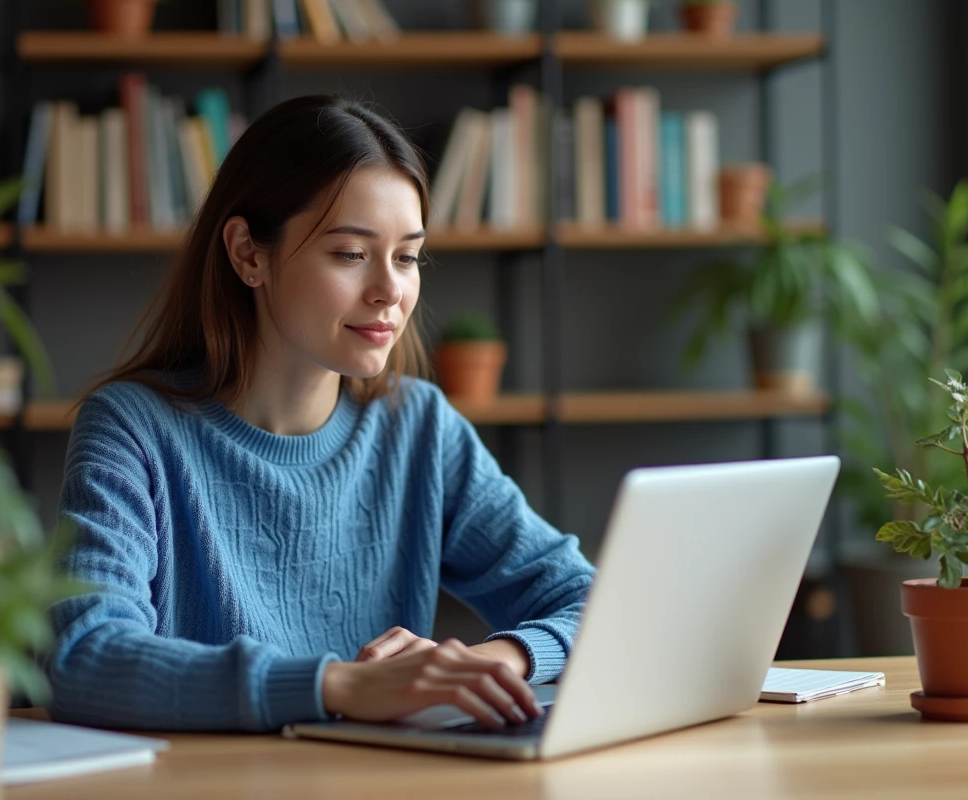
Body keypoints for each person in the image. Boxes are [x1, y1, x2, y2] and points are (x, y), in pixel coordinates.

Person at [46, 94, 596, 734]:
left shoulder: (419, 427)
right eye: (350, 254)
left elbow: (593, 602)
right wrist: (343, 686)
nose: (391, 290)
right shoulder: (132, 428)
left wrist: (492, 663)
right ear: (249, 254)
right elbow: (85, 655)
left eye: (408, 256)